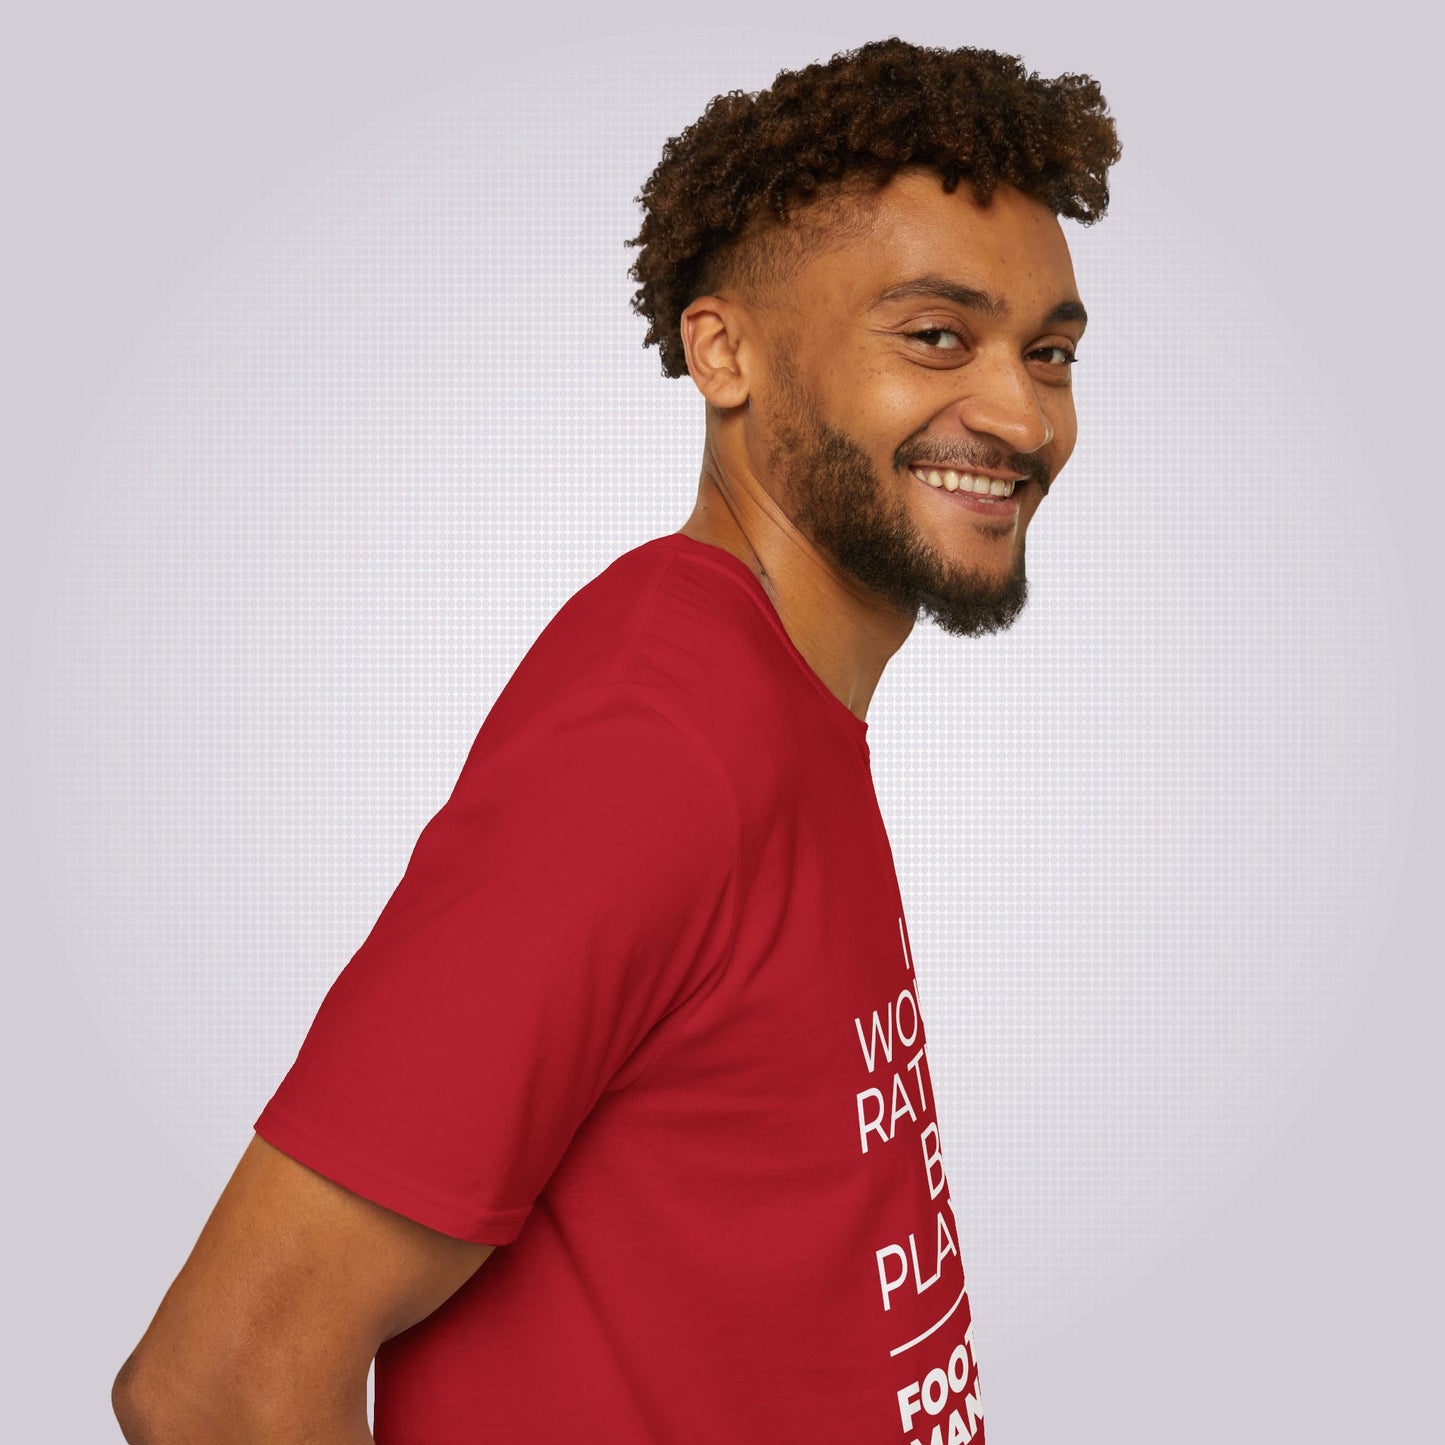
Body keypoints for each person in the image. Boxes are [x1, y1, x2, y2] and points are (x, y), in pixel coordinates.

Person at [112, 35, 1121, 1445]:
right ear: (724, 352)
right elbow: (217, 1381)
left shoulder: (771, 700)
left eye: (1050, 352)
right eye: (935, 337)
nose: (1021, 413)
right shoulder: (653, 740)